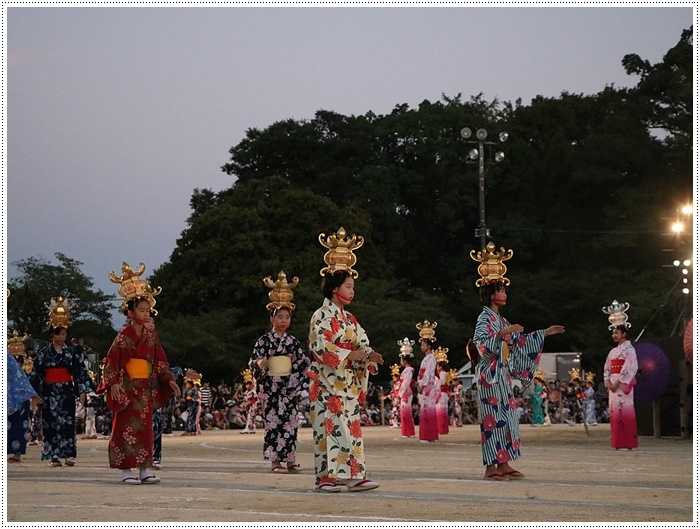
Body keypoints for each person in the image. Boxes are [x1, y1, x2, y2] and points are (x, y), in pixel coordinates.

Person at [470, 242, 565, 480]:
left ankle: (504, 462)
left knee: (507, 417)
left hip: (501, 375)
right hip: (490, 375)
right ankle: (491, 467)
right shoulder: (485, 319)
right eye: (501, 290)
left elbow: (520, 341)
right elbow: (480, 344)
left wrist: (544, 333)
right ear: (491, 293)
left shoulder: (501, 320)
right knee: (492, 419)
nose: (504, 294)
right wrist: (502, 335)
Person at [308, 227, 384, 492]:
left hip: (348, 382)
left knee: (350, 428)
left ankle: (354, 475)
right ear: (334, 288)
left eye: (353, 287)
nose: (352, 292)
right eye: (348, 286)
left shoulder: (349, 319)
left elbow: (361, 341)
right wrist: (350, 353)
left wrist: (368, 355)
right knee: (329, 428)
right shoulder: (321, 315)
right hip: (328, 382)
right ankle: (327, 478)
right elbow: (319, 346)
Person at [97, 262, 181, 484]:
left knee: (145, 430)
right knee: (123, 429)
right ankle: (126, 470)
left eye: (147, 310)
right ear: (130, 312)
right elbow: (111, 361)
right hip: (126, 388)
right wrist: (113, 383)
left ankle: (144, 469)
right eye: (141, 310)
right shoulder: (123, 337)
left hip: (144, 389)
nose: (145, 314)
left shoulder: (152, 337)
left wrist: (170, 380)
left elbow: (160, 362)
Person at [249, 271, 310, 473]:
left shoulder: (292, 341)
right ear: (272, 318)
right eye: (280, 317)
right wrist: (259, 362)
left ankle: (290, 458)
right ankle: (276, 461)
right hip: (272, 386)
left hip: (288, 387)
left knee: (291, 423)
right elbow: (254, 360)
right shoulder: (263, 341)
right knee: (273, 423)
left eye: (287, 317)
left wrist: (295, 381)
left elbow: (302, 362)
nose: (284, 321)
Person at [29, 297, 94, 467]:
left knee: (68, 422)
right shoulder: (43, 353)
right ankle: (53, 455)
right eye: (58, 333)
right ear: (52, 334)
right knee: (50, 423)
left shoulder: (71, 353)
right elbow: (36, 374)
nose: (61, 336)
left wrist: (81, 391)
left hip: (66, 390)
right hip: (49, 391)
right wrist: (35, 394)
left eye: (64, 333)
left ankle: (69, 454)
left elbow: (80, 373)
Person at [602, 300, 638, 450]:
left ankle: (627, 442)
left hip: (623, 384)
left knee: (625, 411)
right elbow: (607, 367)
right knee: (615, 412)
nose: (614, 335)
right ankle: (617, 442)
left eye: (616, 332)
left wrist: (620, 381)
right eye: (613, 332)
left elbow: (631, 366)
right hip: (613, 384)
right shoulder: (613, 351)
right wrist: (608, 380)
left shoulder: (629, 349)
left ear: (624, 334)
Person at [8, 351, 41, 463]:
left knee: (17, 427)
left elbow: (20, 376)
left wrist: (31, 393)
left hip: (15, 395)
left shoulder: (9, 359)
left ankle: (17, 454)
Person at [416, 321, 439, 443]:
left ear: (429, 346)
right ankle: (429, 434)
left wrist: (421, 385)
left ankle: (428, 435)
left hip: (427, 386)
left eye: (423, 344)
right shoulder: (426, 359)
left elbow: (428, 373)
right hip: (425, 386)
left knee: (427, 409)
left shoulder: (431, 358)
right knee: (427, 409)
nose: (422, 347)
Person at [397, 338, 416, 438]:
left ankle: (408, 432)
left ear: (404, 360)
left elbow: (405, 383)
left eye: (401, 360)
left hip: (406, 392)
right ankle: (408, 431)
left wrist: (401, 393)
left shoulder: (408, 371)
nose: (400, 361)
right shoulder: (407, 370)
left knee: (406, 412)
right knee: (405, 412)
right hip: (406, 392)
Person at [434, 347, 450, 435]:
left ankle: (441, 429)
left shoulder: (442, 374)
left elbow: (440, 384)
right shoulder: (442, 374)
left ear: (440, 367)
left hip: (441, 393)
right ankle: (442, 428)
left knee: (441, 411)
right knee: (442, 411)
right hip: (442, 393)